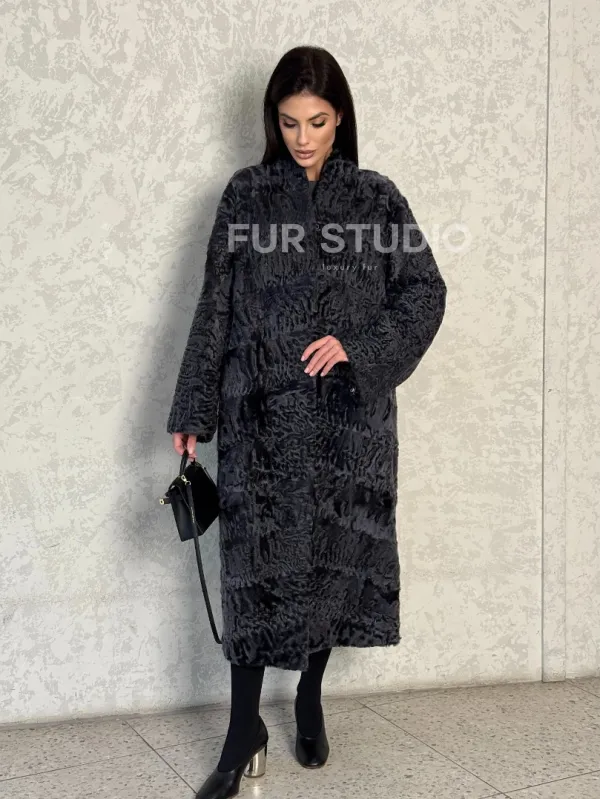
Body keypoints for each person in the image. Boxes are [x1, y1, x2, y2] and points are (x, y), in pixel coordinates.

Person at [166, 45, 447, 799]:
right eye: (289, 122)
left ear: (340, 117)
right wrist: (193, 409)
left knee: (330, 563)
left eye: (317, 122)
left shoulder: (377, 201)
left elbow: (425, 291)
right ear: (273, 120)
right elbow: (215, 306)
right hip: (259, 420)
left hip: (347, 429)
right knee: (253, 574)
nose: (302, 137)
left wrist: (360, 347)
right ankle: (241, 732)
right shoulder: (246, 197)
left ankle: (311, 696)